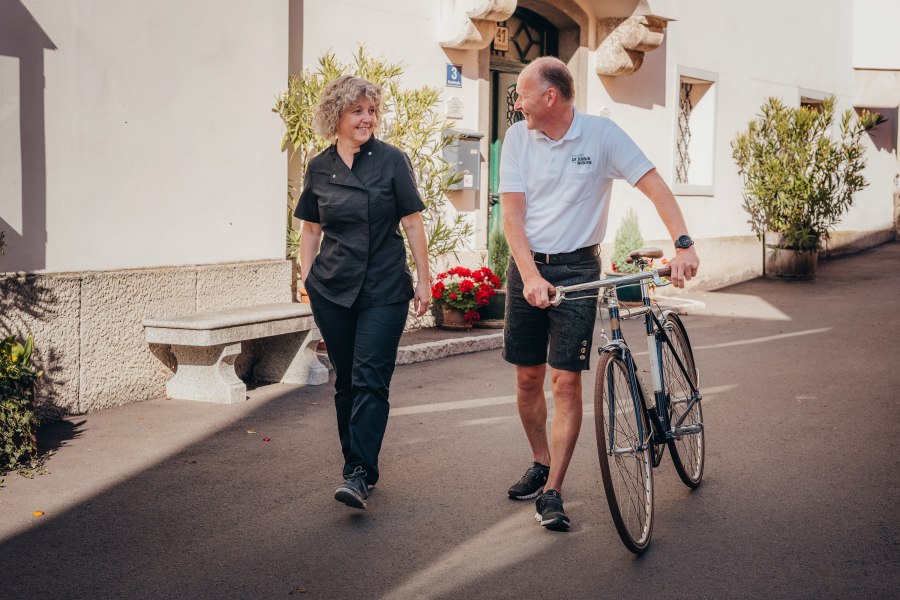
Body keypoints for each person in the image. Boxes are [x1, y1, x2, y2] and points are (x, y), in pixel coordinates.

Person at [499, 57, 700, 531]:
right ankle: (540, 460)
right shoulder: (516, 138)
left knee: (564, 381)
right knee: (528, 377)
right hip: (526, 265)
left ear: (550, 96)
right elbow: (512, 216)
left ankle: (554, 491)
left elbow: (655, 186)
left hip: (577, 267)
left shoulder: (601, 136)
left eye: (521, 94)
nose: (516, 102)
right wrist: (529, 276)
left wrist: (684, 243)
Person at [295, 75, 431, 510]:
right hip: (333, 290)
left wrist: (424, 278)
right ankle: (354, 465)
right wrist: (307, 280)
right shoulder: (319, 167)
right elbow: (311, 230)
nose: (367, 118)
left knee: (371, 378)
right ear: (336, 116)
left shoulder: (392, 161)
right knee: (347, 382)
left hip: (384, 287)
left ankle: (359, 473)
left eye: (371, 110)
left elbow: (412, 222)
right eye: (358, 111)